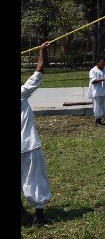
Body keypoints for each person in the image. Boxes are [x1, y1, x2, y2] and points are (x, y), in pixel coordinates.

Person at [21, 42, 54, 226]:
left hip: (27, 144)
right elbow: (39, 69)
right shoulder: (22, 93)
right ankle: (39, 217)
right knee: (35, 179)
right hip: (28, 144)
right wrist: (42, 50)